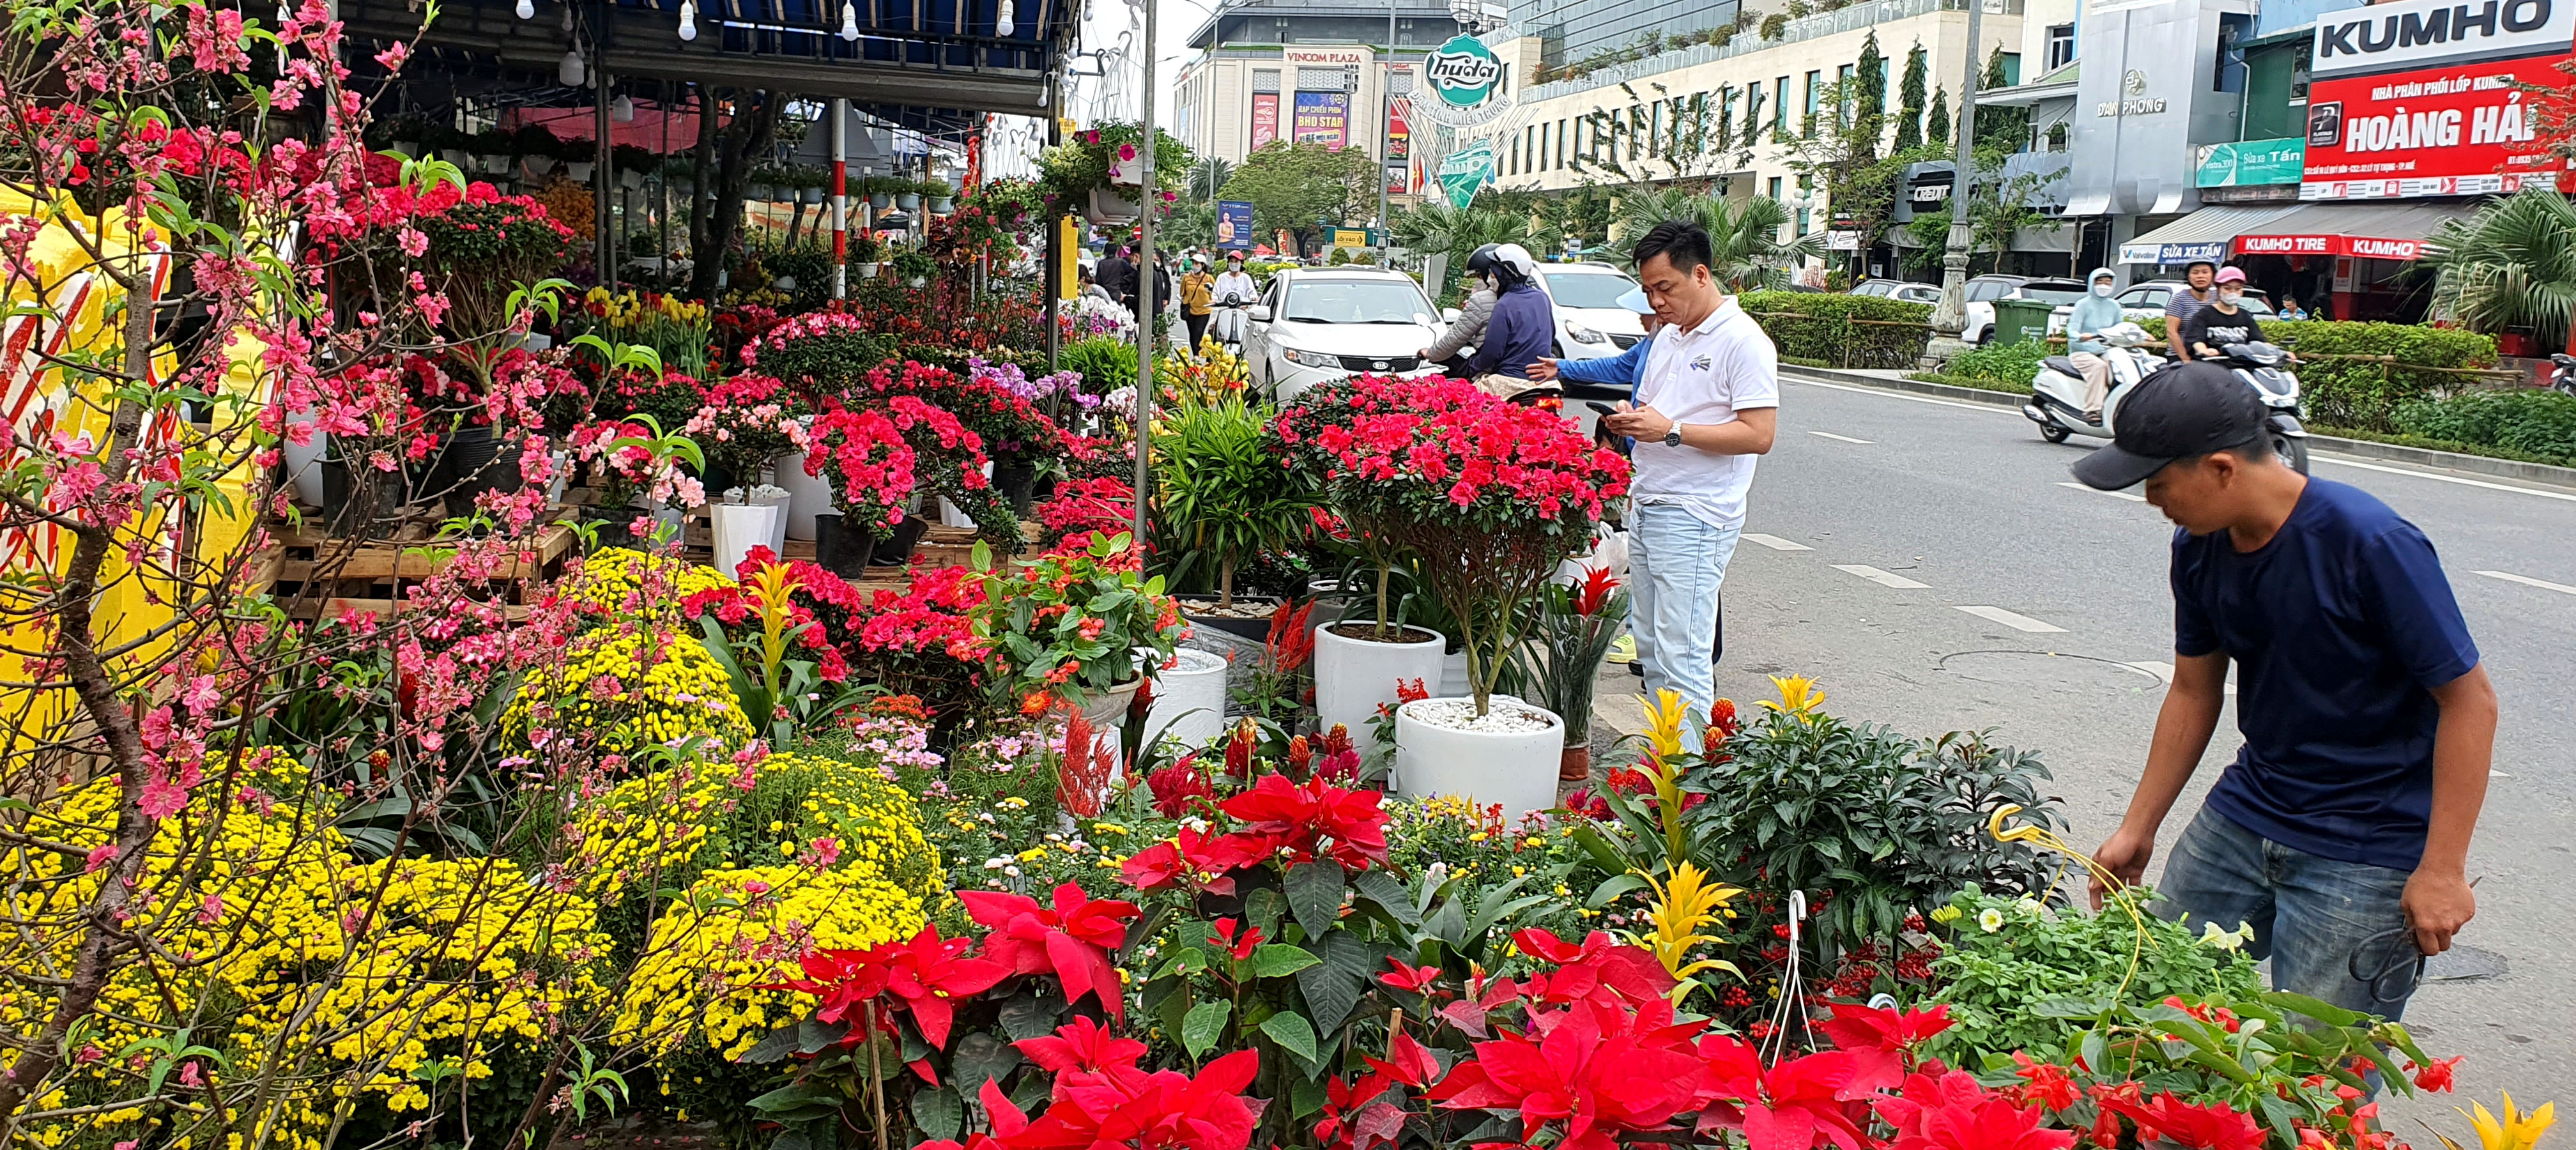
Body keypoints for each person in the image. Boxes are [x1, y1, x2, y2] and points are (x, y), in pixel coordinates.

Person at [2073, 362, 2494, 1034]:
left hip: (2366, 844)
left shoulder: (2370, 543)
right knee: (2151, 1010)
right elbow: (2193, 690)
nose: (2153, 502)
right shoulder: (2199, 547)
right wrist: (2138, 826)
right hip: (2249, 812)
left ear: (2221, 469)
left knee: (2316, 1068)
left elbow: (2471, 703)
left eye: (2158, 484)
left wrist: (2443, 869)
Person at [1603, 220, 1778, 714]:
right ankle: (1667, 753)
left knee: (1682, 654)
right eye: (1648, 291)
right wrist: (1634, 419)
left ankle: (1692, 760)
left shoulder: (1743, 341)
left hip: (1696, 513)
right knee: (1651, 650)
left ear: (1701, 275)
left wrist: (1671, 430)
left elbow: (1759, 435)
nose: (1655, 302)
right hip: (1649, 501)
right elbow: (1659, 411)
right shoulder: (1667, 337)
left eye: (1665, 287)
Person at [1465, 243, 1553, 397]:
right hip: (1544, 379)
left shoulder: (1505, 304)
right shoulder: (1542, 298)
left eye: (1494, 272)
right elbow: (1551, 335)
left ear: (1503, 273)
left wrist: (1471, 366)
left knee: (1466, 399)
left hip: (1510, 380)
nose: (1491, 275)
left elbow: (1492, 353)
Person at [1420, 244, 1501, 375]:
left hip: (1490, 371)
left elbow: (1455, 338)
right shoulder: (1530, 298)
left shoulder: (1481, 300)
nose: (1476, 281)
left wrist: (1430, 354)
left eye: (1479, 276)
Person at [2067, 266, 2125, 424]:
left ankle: (2118, 407)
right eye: (2100, 282)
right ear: (2092, 283)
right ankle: (2092, 410)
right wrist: (2081, 337)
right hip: (2081, 352)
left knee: (2121, 368)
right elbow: (2072, 330)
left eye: (2108, 282)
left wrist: (2138, 335)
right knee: (2099, 367)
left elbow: (2121, 328)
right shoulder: (2083, 305)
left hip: (2105, 350)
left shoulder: (2114, 306)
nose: (2104, 286)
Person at [2180, 266, 2264, 362]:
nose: (2233, 293)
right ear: (2218, 289)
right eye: (2227, 288)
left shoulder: (2245, 316)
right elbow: (2196, 340)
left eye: (2237, 289)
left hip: (2242, 364)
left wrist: (2274, 350)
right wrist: (2204, 350)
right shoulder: (2204, 315)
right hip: (2212, 365)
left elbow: (2259, 341)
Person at [2166, 260, 2218, 360]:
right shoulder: (2180, 299)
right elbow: (2172, 332)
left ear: (2213, 276)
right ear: (2188, 277)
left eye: (2205, 272)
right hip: (2181, 357)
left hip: (2211, 356)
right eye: (2195, 272)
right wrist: (2185, 359)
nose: (2200, 276)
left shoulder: (2218, 298)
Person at [1211, 253, 1259, 347]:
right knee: (1211, 327)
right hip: (1224, 311)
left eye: (1236, 262)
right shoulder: (1222, 277)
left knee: (1253, 331)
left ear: (1241, 263)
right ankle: (1211, 352)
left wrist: (1250, 302)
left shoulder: (1246, 278)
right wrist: (1214, 301)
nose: (1233, 264)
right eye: (1231, 261)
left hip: (1242, 312)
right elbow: (1215, 294)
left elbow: (1253, 295)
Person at [1180, 256, 1215, 351]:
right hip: (1190, 310)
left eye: (1197, 264)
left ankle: (1197, 355)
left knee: (1199, 332)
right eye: (1193, 263)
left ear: (1203, 265)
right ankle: (1196, 354)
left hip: (1204, 311)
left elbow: (1214, 293)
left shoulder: (1209, 278)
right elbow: (1182, 293)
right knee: (1192, 334)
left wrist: (1213, 301)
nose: (1195, 266)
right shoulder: (1186, 278)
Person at [1097, 245, 1137, 316]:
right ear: (1116, 251)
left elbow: (1098, 281)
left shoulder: (1101, 264)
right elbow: (1132, 272)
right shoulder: (1121, 262)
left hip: (1104, 293)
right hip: (1117, 293)